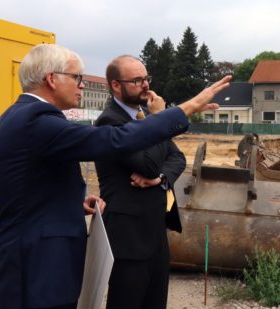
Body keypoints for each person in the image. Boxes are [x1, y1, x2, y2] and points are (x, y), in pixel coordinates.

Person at [0, 44, 231, 309]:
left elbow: (28, 190)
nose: (81, 85)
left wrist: (72, 204)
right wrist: (188, 107)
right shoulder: (36, 122)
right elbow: (114, 140)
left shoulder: (23, 118)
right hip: (37, 269)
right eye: (77, 77)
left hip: (39, 264)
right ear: (51, 79)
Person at [94, 55, 186, 308]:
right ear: (115, 85)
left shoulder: (145, 116)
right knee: (127, 301)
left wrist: (159, 178)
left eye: (146, 78)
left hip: (156, 231)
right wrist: (160, 121)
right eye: (136, 80)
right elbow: (148, 163)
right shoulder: (109, 122)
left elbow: (177, 158)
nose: (145, 85)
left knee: (155, 302)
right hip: (128, 236)